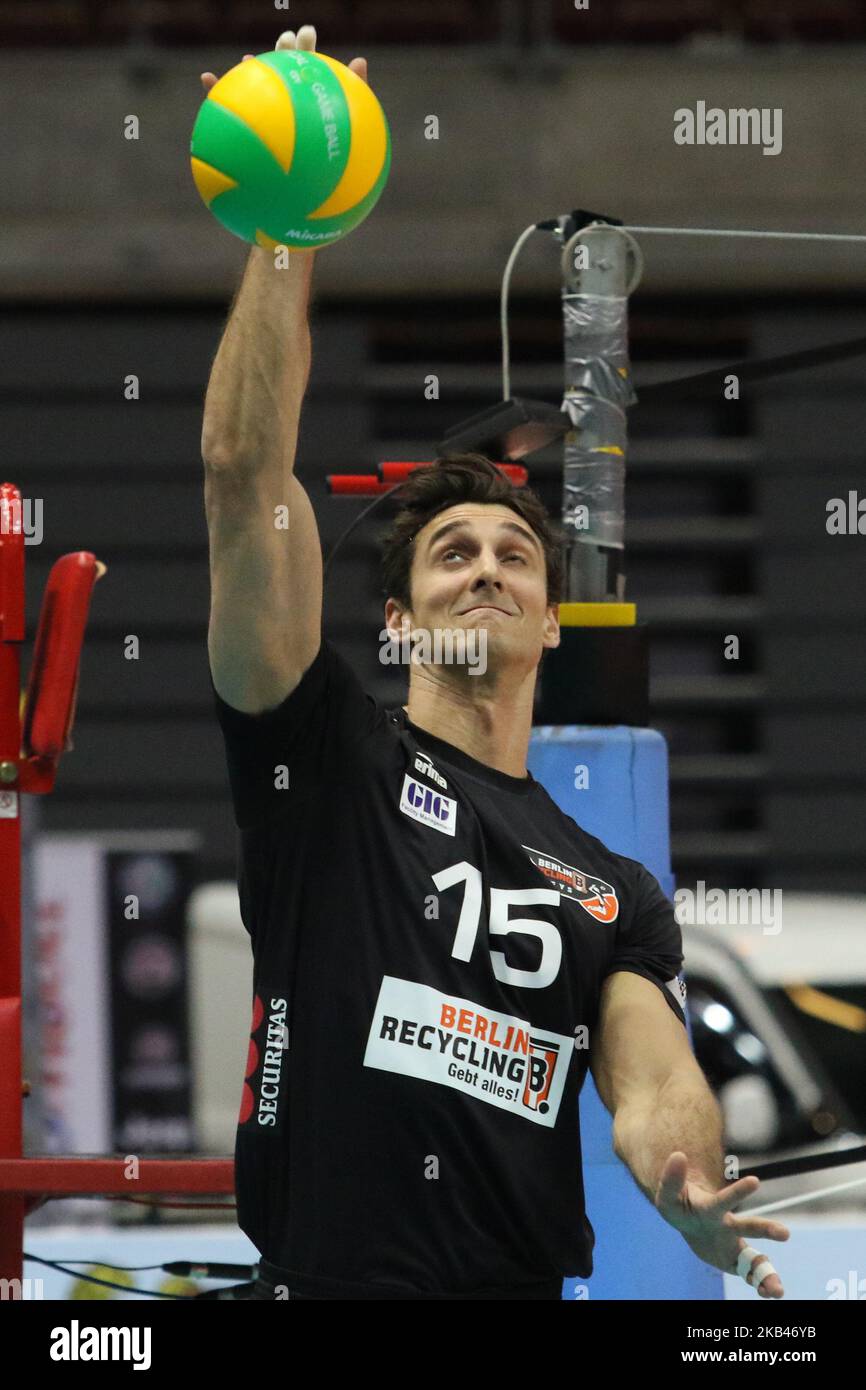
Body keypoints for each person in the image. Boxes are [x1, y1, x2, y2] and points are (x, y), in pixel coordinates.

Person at [202, 24, 789, 1302]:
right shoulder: (326, 759)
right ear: (401, 624)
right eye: (451, 552)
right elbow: (245, 481)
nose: (486, 566)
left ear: (544, 623)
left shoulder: (610, 887)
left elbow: (648, 1087)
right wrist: (284, 229)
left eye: (515, 555)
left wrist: (686, 1182)